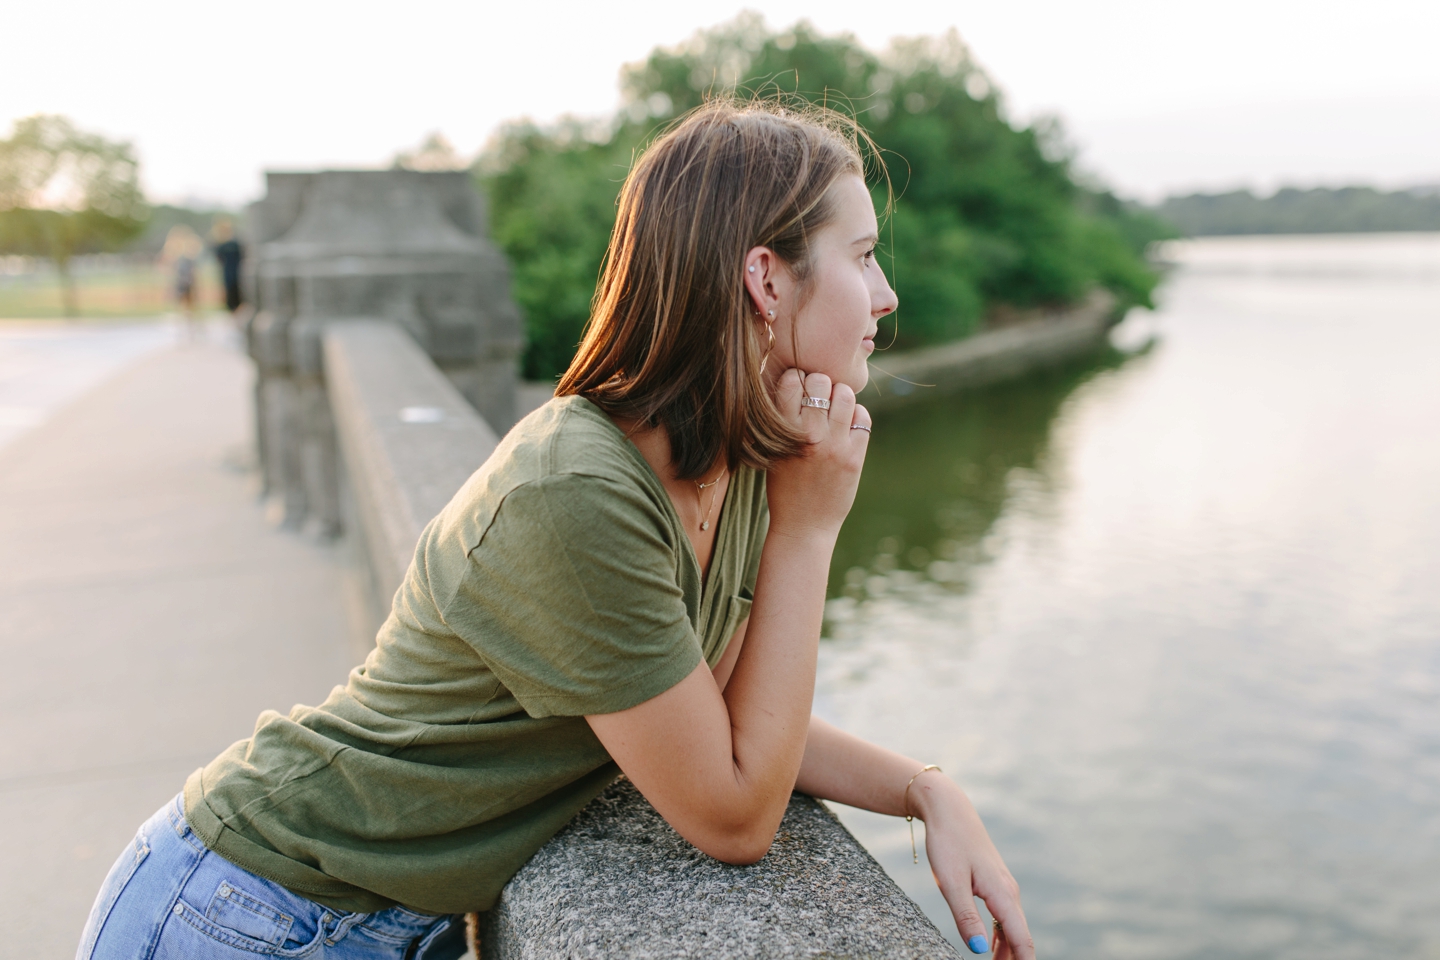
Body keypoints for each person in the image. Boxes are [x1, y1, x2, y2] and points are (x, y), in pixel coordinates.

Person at [77, 101, 1035, 960]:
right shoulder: (578, 492)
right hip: (246, 912)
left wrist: (924, 790)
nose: (887, 297)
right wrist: (809, 532)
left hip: (364, 922)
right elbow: (733, 813)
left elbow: (736, 709)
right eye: (863, 256)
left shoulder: (735, 454)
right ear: (766, 280)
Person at [211, 218, 244, 314]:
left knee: (232, 297)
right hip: (236, 273)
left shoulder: (222, 245)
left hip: (230, 273)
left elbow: (219, 259)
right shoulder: (235, 243)